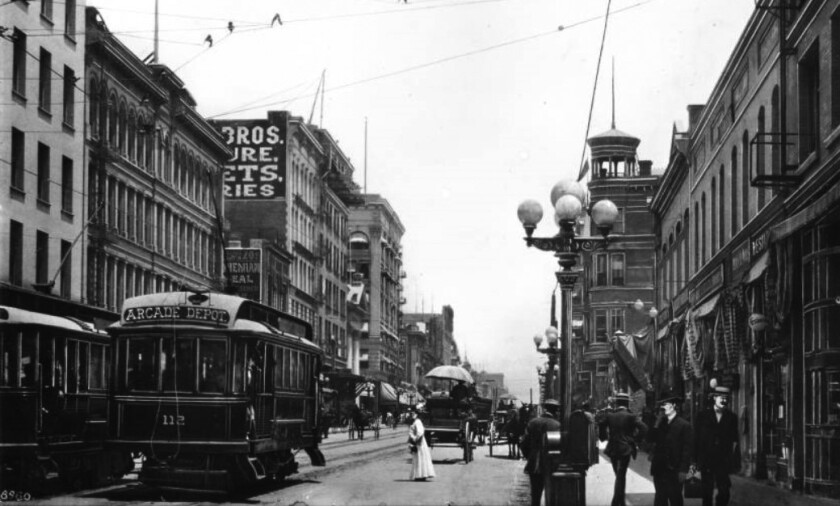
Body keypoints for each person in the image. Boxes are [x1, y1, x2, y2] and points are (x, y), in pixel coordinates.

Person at [597, 392, 648, 506]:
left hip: (613, 448)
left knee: (619, 474)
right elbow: (644, 428)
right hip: (626, 449)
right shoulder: (631, 416)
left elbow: (601, 424)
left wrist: (603, 437)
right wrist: (635, 439)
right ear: (627, 403)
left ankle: (618, 501)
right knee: (621, 475)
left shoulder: (610, 415)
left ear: (617, 403)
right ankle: (617, 502)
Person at [694, 384, 739, 506]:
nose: (724, 400)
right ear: (714, 398)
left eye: (726, 398)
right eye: (721, 397)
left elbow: (735, 440)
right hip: (706, 460)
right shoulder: (702, 416)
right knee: (706, 494)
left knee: (724, 492)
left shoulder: (732, 417)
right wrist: (694, 463)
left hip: (723, 461)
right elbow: (696, 440)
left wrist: (732, 460)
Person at [648, 391, 692, 506]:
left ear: (674, 405)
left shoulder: (684, 425)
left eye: (665, 404)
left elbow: (687, 450)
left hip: (675, 470)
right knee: (660, 500)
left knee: (675, 499)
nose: (662, 407)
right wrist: (657, 422)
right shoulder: (659, 424)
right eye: (661, 405)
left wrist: (683, 470)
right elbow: (649, 439)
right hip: (659, 469)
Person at [519, 398, 562, 506]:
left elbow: (524, 443)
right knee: (551, 495)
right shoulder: (557, 425)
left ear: (545, 409)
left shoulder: (533, 422)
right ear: (555, 411)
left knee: (535, 495)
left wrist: (530, 456)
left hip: (534, 463)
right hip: (551, 464)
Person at [407, 404, 435, 481]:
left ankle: (421, 475)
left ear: (417, 414)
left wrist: (414, 439)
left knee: (420, 458)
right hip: (418, 442)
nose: (412, 415)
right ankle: (420, 475)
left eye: (413, 413)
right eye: (411, 413)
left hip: (419, 442)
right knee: (418, 458)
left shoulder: (417, 422)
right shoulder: (415, 421)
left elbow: (420, 432)